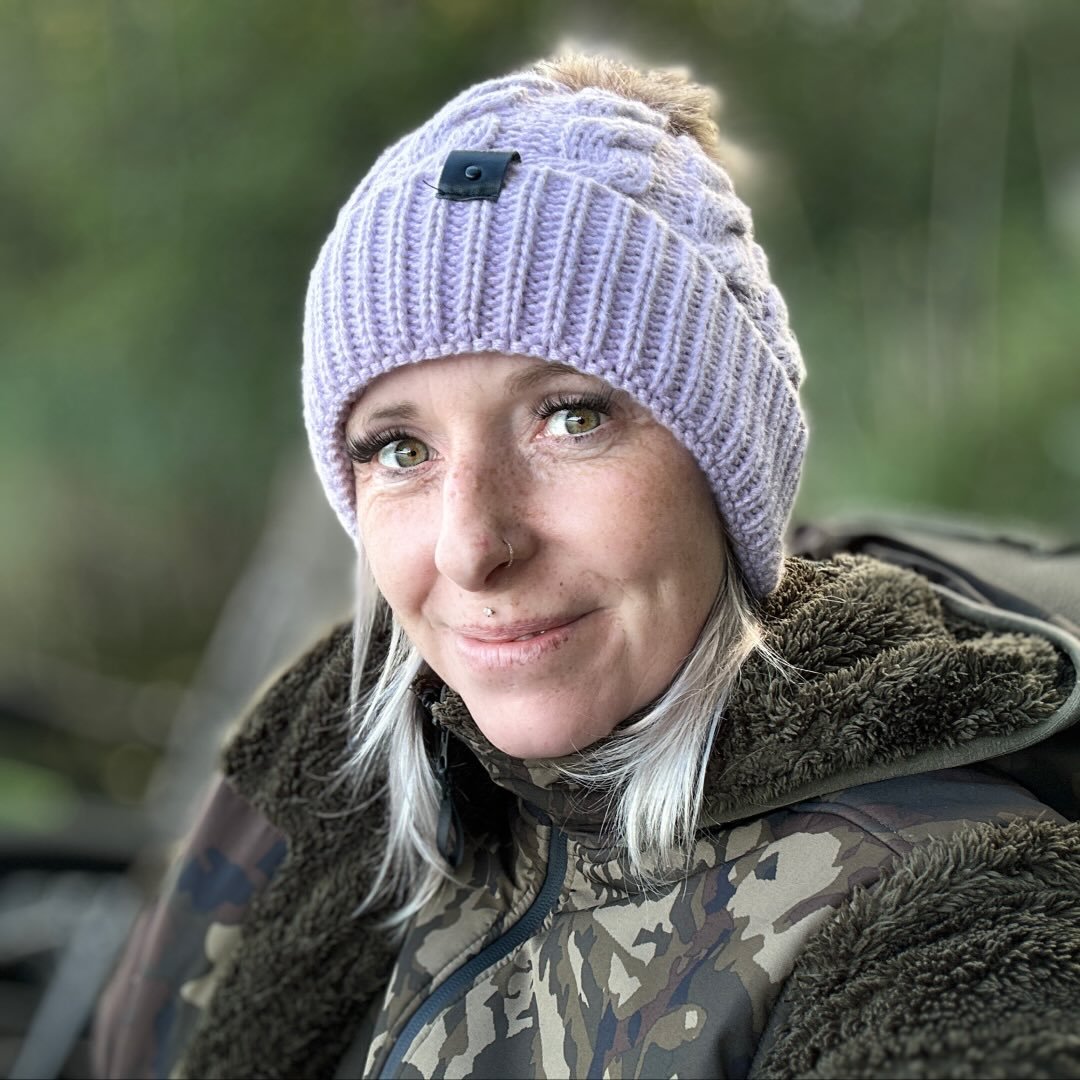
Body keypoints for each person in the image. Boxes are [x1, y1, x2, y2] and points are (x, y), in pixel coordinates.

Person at [94, 51, 1080, 1079]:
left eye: (571, 418)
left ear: (727, 463)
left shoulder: (947, 905)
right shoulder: (320, 766)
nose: (471, 546)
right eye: (400, 448)